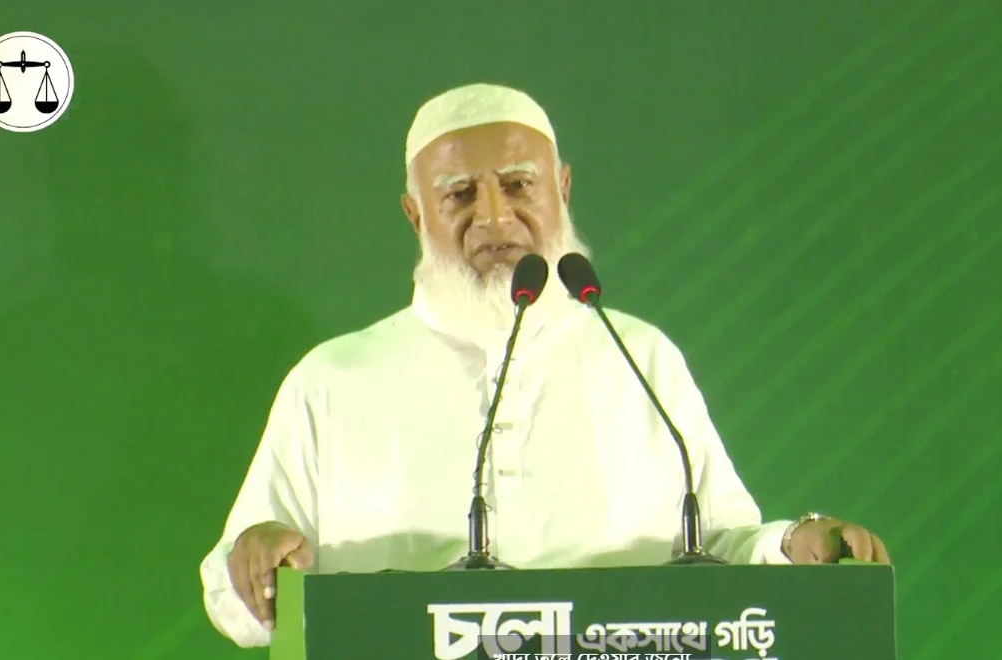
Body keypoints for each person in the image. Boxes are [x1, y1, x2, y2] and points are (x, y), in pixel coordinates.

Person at [198, 82, 891, 649]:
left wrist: (796, 547)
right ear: (414, 214)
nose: (494, 216)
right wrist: (254, 562)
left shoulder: (638, 358)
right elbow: (236, 596)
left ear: (562, 187)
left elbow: (722, 548)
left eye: (518, 185)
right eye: (459, 194)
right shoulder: (334, 381)